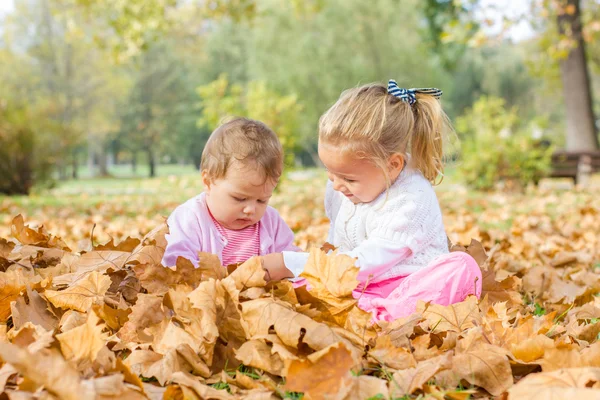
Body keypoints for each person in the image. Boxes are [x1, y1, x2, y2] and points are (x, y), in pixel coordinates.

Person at [261, 80, 482, 321]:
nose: (335, 184)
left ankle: (384, 316)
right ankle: (353, 309)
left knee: (462, 268)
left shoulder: (411, 199)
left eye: (347, 178)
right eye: (329, 172)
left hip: (403, 285)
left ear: (392, 165)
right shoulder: (342, 188)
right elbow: (339, 244)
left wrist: (290, 263)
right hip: (356, 283)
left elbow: (366, 262)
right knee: (302, 285)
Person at [162, 117, 299, 269]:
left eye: (262, 200)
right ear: (208, 182)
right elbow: (178, 265)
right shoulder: (190, 219)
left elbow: (292, 261)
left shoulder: (271, 222)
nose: (250, 209)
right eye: (239, 198)